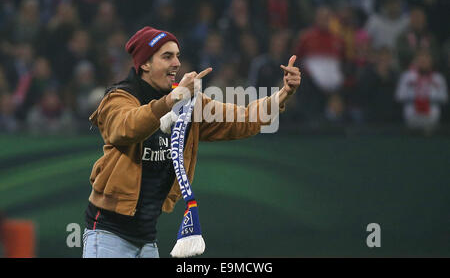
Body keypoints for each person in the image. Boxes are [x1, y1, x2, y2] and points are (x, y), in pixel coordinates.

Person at [82, 26, 301, 258]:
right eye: (167, 56)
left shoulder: (187, 104)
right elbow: (126, 128)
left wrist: (282, 94)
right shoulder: (119, 97)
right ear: (145, 64)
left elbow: (242, 119)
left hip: (147, 239)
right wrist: (171, 100)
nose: (176, 63)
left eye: (177, 55)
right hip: (107, 234)